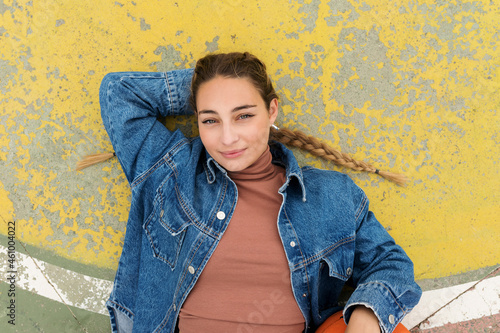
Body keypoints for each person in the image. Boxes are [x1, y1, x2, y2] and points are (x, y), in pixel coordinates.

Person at [87, 52, 421, 333]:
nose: (228, 138)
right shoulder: (171, 171)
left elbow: (391, 264)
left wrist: (366, 316)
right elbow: (119, 92)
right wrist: (210, 84)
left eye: (244, 115)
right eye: (210, 120)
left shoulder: (331, 196)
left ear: (272, 110)